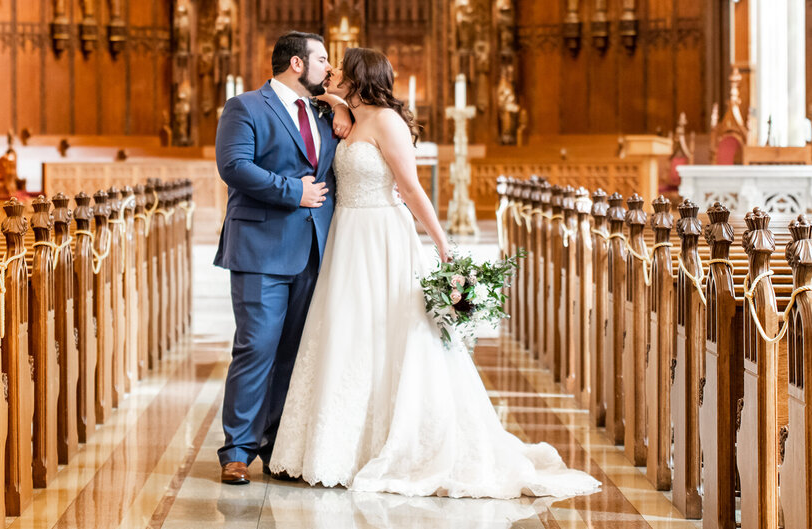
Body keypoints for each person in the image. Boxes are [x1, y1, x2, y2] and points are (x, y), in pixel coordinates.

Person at [268, 47, 600, 500]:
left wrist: (444, 245)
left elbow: (410, 189)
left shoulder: (387, 122)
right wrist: (338, 104)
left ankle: (393, 443)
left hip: (382, 237)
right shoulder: (347, 115)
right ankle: (339, 445)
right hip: (348, 237)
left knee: (391, 335)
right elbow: (316, 106)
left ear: (362, 77)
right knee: (345, 333)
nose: (335, 73)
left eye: (343, 70)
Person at [213, 32, 352, 485]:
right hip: (261, 249)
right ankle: (237, 450)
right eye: (323, 60)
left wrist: (344, 109)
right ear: (297, 63)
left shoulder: (324, 113)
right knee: (256, 347)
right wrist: (295, 191)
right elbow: (234, 166)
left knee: (294, 352)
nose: (329, 69)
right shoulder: (245, 107)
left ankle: (276, 445)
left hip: (313, 249)